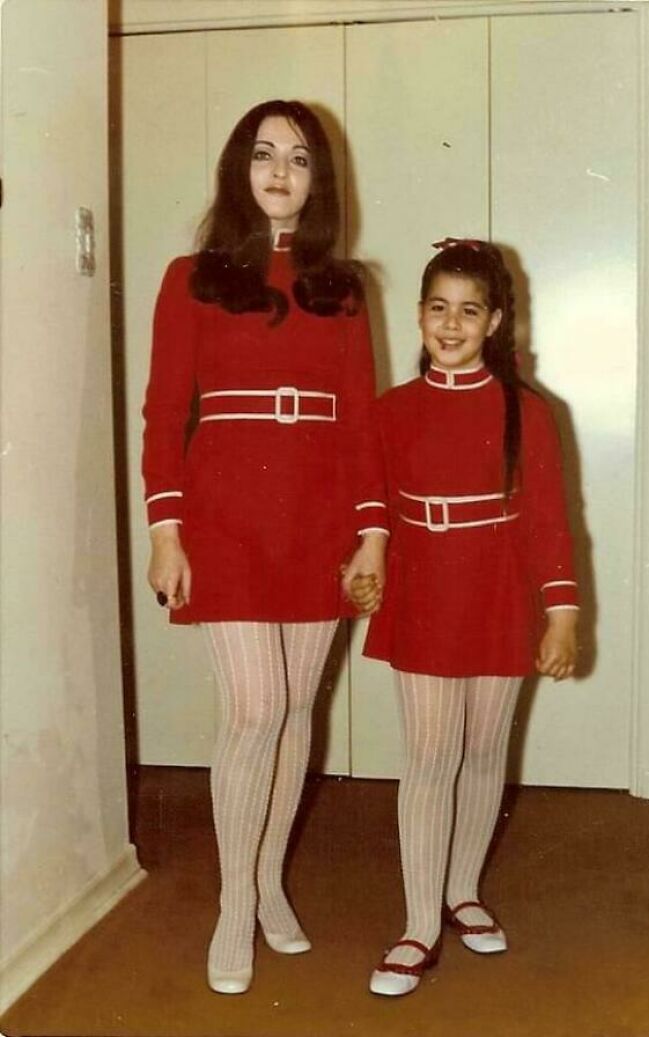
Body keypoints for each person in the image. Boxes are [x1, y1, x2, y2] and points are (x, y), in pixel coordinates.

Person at [142, 99, 387, 995]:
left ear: (320, 182)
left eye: (299, 159)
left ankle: (270, 881)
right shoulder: (192, 276)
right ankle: (233, 900)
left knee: (294, 714)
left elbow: (363, 421)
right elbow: (165, 409)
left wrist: (373, 532)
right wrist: (165, 526)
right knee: (254, 709)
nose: (280, 171)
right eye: (262, 154)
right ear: (238, 171)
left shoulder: (345, 286)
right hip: (226, 514)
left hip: (319, 513)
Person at [348, 238, 579, 996]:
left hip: (500, 591)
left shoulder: (530, 412)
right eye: (438, 308)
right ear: (419, 315)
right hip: (424, 590)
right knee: (430, 756)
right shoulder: (392, 409)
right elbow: (372, 503)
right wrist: (368, 559)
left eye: (469, 311)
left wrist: (561, 614)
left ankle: (462, 891)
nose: (451, 325)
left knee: (484, 752)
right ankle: (417, 924)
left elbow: (549, 520)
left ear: (495, 320)